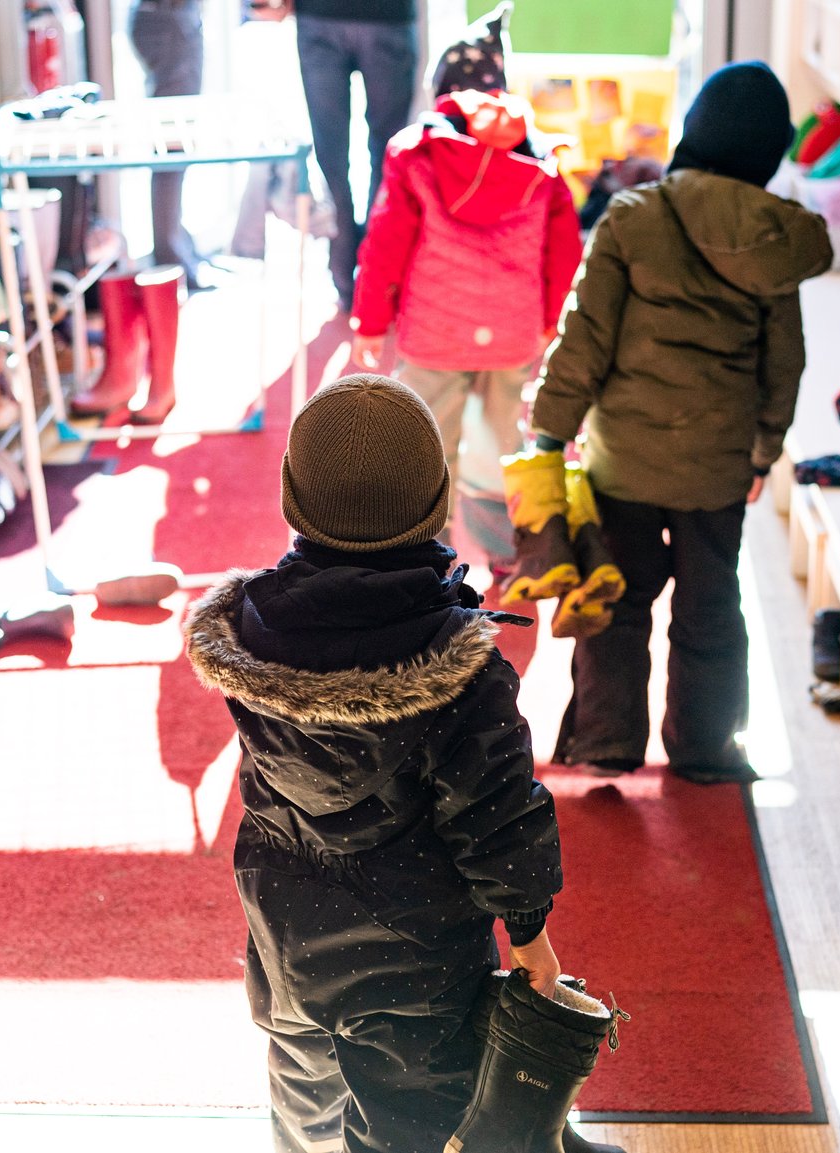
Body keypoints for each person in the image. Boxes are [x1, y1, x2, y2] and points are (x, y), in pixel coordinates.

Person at [185, 374, 565, 1153]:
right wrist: (528, 932)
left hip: (288, 938)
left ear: (293, 498)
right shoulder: (461, 667)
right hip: (422, 962)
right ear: (437, 500)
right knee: (412, 1124)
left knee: (302, 1101)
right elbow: (498, 815)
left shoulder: (249, 636)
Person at [530, 62, 833, 783]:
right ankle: (703, 746)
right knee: (711, 608)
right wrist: (762, 454)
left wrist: (549, 431)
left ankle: (608, 737)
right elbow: (783, 364)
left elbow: (585, 338)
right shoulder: (772, 243)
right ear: (770, 152)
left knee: (616, 599)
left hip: (622, 460)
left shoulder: (633, 218)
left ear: (694, 133)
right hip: (716, 466)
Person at [350, 13, 580, 582]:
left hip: (435, 334)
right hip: (510, 330)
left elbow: (385, 243)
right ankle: (509, 557)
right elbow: (563, 250)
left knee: (429, 447)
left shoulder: (415, 153)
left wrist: (370, 321)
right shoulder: (540, 160)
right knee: (506, 445)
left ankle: (431, 563)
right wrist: (550, 320)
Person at [291, 0, 419, 302]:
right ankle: (374, 270)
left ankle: (344, 265)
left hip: (321, 16)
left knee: (332, 149)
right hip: (385, 18)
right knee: (388, 150)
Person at [130, 0, 206, 287]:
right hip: (168, 20)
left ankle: (176, 248)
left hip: (167, 18)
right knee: (172, 146)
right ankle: (171, 261)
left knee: (175, 146)